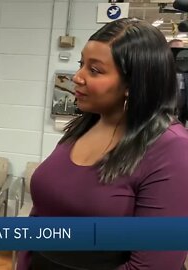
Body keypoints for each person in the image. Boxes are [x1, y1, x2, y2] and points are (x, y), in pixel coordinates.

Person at [17, 18, 188, 270]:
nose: (77, 77)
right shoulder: (84, 125)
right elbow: (41, 212)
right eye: (81, 64)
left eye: (94, 70)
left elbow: (153, 265)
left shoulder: (171, 149)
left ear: (133, 83)